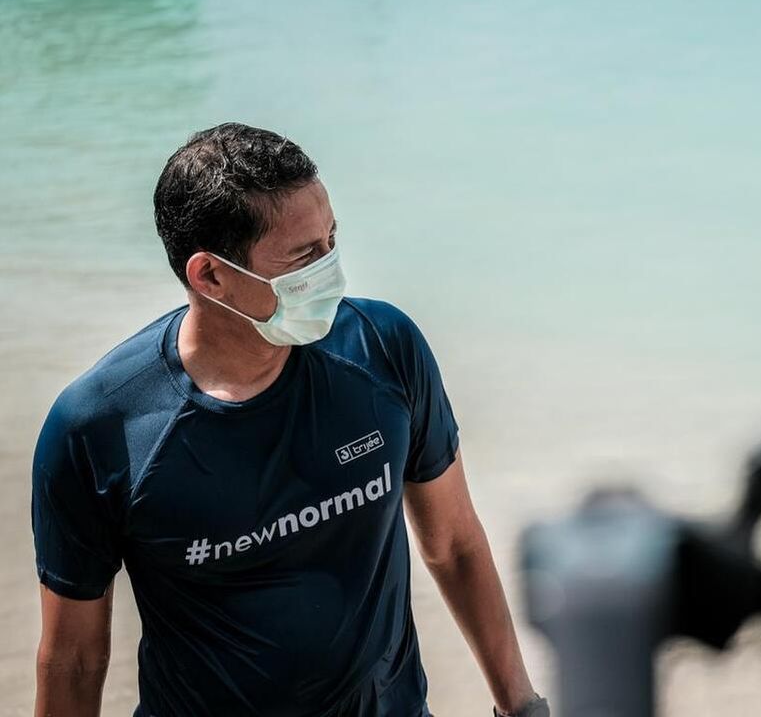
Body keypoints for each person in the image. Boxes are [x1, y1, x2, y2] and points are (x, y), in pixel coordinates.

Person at [31, 124, 549, 717]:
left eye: (332, 240)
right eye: (305, 256)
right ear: (211, 276)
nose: (330, 270)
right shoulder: (98, 428)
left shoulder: (383, 348)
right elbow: (73, 657)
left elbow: (454, 543)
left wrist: (521, 704)